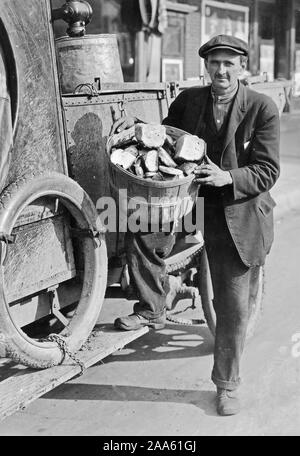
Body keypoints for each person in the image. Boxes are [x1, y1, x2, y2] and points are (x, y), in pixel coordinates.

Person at [112, 35, 280, 416]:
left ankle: (226, 386)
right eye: (215, 63)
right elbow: (166, 138)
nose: (221, 70)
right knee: (137, 222)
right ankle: (154, 305)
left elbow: (268, 170)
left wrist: (228, 177)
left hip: (237, 208)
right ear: (206, 66)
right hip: (189, 200)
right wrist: (135, 127)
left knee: (232, 304)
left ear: (243, 68)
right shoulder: (189, 100)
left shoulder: (261, 108)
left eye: (229, 63)